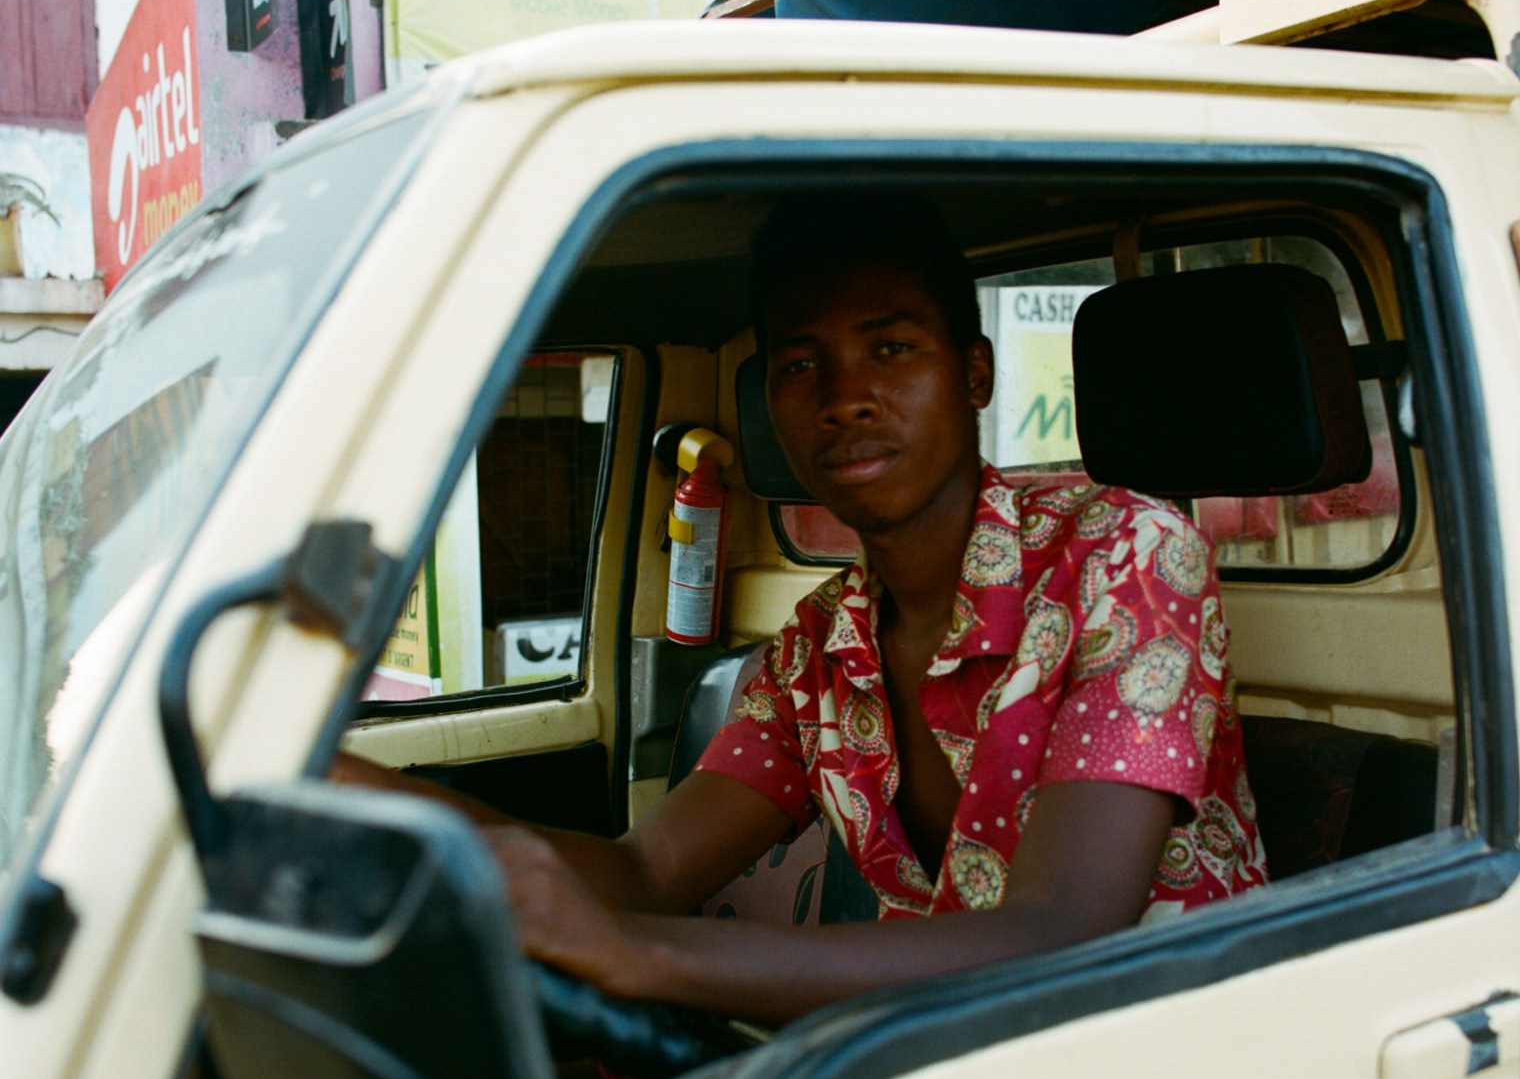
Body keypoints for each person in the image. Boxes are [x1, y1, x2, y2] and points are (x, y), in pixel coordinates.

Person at [343, 193, 1267, 1025]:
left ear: (974, 373)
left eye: (891, 348)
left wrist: (644, 956)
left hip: (1173, 1072)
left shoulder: (1128, 555)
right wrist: (364, 798)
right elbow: (647, 872)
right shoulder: (819, 650)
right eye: (798, 365)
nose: (844, 399)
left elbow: (1063, 931)